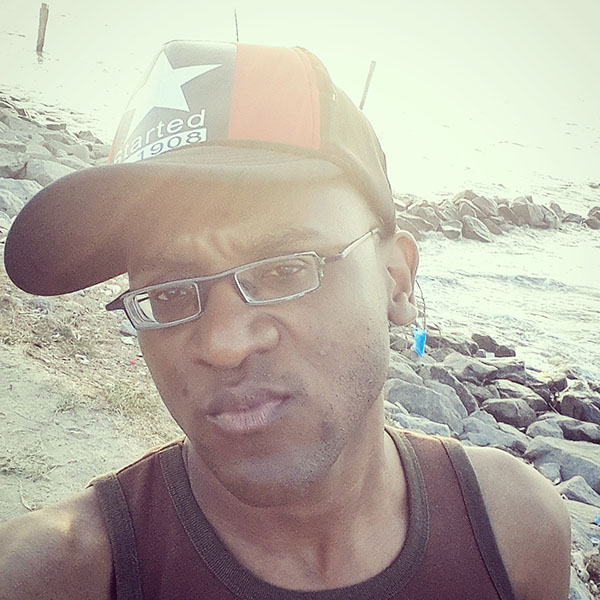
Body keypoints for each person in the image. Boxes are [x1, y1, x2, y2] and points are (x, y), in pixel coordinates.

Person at [0, 40, 570, 600]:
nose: (224, 343)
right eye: (169, 296)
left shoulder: (514, 531)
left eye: (284, 270)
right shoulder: (56, 576)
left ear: (396, 280)